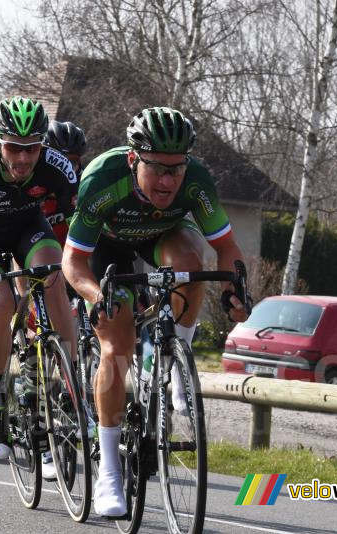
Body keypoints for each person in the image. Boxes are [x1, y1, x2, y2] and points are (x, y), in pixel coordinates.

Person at [62, 106, 251, 517]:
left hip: (160, 237)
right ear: (134, 160)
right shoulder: (102, 177)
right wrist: (97, 296)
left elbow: (227, 247)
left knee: (192, 263)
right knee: (117, 344)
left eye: (176, 169)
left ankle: (173, 359)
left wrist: (235, 290)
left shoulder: (195, 181)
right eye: (158, 169)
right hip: (108, 250)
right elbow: (73, 262)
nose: (168, 180)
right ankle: (109, 469)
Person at [0, 96, 78, 460]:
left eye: (32, 149)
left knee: (54, 276)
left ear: (42, 145)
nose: (24, 158)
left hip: (28, 229)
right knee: (0, 302)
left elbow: (81, 233)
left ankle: (71, 388)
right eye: (14, 148)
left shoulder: (58, 167)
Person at [38, 120, 88, 480]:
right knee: (39, 341)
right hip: (36, 269)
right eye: (62, 158)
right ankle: (42, 438)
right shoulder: (34, 186)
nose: (69, 166)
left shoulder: (82, 187)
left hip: (73, 269)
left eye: (75, 159)